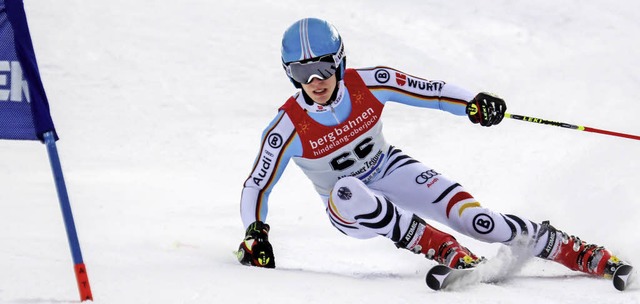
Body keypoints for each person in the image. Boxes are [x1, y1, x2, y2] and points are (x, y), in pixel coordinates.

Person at [236, 17, 629, 281]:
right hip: (349, 209)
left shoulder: (369, 83)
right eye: (303, 72)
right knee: (347, 189)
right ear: (291, 75)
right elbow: (258, 182)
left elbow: (432, 92)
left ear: (339, 62)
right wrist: (256, 231)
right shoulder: (288, 126)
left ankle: (571, 250)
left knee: (480, 222)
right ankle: (443, 249)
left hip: (391, 169)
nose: (316, 80)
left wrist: (474, 103)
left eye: (323, 66)